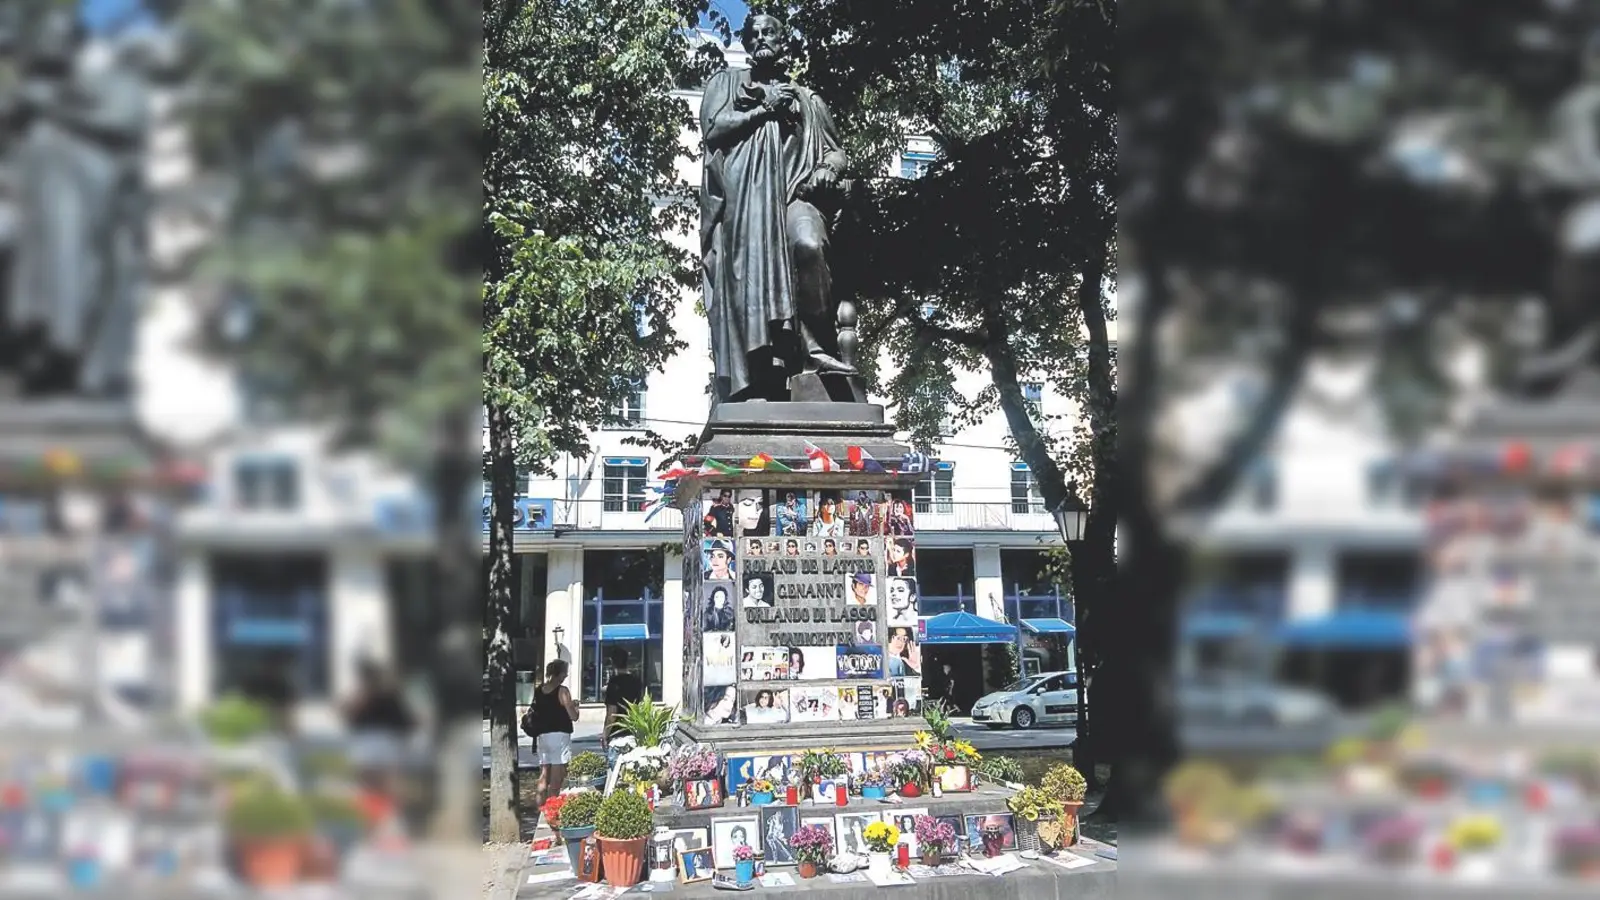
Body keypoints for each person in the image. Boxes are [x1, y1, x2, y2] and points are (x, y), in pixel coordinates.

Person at [700, 12, 855, 403]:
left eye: (769, 32)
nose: (761, 38)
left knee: (808, 244)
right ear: (746, 44)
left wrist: (827, 170)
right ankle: (761, 370)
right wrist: (764, 108)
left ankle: (818, 348)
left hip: (794, 196)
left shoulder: (808, 100)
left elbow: (838, 153)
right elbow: (715, 129)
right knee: (748, 275)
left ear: (784, 42)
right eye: (753, 34)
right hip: (748, 205)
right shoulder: (726, 83)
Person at [526, 659, 580, 813]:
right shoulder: (562, 691)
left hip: (543, 736)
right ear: (560, 673)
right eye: (565, 672)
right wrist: (575, 707)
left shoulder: (539, 690)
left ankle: (540, 809)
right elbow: (573, 716)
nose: (566, 675)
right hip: (559, 736)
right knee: (556, 779)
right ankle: (552, 813)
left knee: (544, 776)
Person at [601, 649, 646, 751]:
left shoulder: (614, 684)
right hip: (634, 733)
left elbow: (612, 714)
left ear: (613, 663)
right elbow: (642, 705)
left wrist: (605, 734)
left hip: (617, 735)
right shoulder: (637, 682)